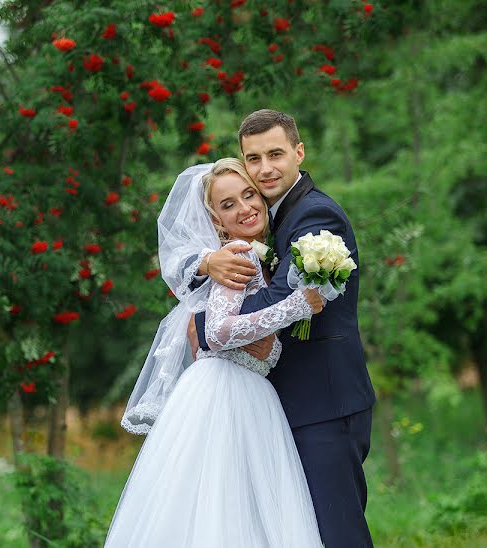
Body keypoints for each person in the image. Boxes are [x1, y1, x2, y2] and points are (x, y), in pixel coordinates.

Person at [107, 159, 325, 547]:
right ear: (217, 221)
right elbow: (220, 333)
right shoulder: (238, 255)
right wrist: (298, 306)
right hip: (225, 394)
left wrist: (272, 338)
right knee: (221, 507)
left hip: (248, 392)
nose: (244, 208)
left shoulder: (262, 257)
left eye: (248, 195)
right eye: (228, 205)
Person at [190, 109, 377, 547]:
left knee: (338, 533)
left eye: (275, 154)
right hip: (293, 403)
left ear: (299, 152)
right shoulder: (272, 219)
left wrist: (204, 324)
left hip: (325, 402)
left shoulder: (314, 218)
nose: (264, 168)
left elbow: (278, 299)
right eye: (253, 158)